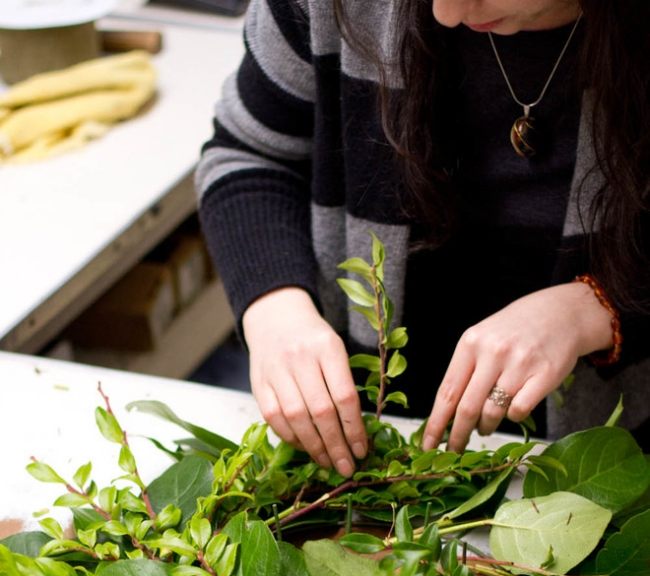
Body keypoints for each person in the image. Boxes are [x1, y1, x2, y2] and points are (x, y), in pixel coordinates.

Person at [196, 0, 650, 474]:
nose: (447, 14)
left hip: (614, 462)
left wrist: (597, 308)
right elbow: (249, 155)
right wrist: (274, 310)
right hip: (360, 457)